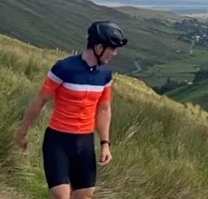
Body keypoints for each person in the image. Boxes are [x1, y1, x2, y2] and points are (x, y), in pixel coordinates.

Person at [15, 20, 129, 199]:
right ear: (99, 47)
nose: (114, 53)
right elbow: (40, 100)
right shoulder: (64, 68)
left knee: (84, 195)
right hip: (58, 141)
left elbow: (104, 109)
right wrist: (22, 133)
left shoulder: (105, 74)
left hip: (84, 142)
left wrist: (105, 144)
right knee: (61, 195)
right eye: (112, 48)